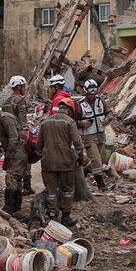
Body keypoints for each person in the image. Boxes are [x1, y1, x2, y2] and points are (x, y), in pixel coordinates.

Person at [38, 97, 84, 227]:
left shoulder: (45, 122)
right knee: (67, 190)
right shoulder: (70, 122)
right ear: (69, 110)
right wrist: (81, 158)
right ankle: (66, 217)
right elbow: (77, 144)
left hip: (48, 163)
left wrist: (44, 154)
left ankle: (52, 216)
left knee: (51, 191)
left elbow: (38, 144)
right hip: (65, 163)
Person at [0, 101, 28, 217]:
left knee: (11, 178)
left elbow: (14, 139)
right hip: (18, 152)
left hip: (17, 153)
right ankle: (16, 207)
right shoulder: (3, 119)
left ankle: (9, 207)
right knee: (16, 179)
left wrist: (8, 157)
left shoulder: (5, 119)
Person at [77, 80, 110, 191]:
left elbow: (109, 113)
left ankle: (86, 170)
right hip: (88, 136)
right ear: (86, 92)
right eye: (90, 94)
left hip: (100, 134)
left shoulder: (101, 101)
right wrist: (82, 124)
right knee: (96, 160)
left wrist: (107, 119)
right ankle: (100, 184)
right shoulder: (80, 104)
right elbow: (74, 121)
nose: (92, 96)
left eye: (94, 93)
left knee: (101, 159)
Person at [5, 75, 34, 196]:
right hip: (19, 135)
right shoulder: (20, 101)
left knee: (13, 163)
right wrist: (29, 136)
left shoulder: (6, 101)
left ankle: (16, 186)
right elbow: (23, 121)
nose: (25, 88)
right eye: (23, 86)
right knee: (25, 160)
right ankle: (26, 187)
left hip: (9, 135)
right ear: (18, 87)